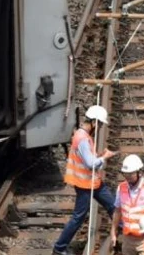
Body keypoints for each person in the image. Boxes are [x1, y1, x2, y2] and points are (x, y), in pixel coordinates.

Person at [53, 105, 117, 255]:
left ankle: (124, 231)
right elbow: (90, 164)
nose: (100, 127)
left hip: (94, 183)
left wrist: (99, 155)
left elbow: (88, 158)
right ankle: (59, 248)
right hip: (85, 185)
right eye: (100, 124)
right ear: (94, 122)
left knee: (113, 206)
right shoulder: (82, 139)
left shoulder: (83, 136)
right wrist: (104, 157)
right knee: (78, 217)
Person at [110, 154, 144, 255]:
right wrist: (113, 231)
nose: (127, 177)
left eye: (131, 174)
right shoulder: (121, 188)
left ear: (139, 172)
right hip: (128, 239)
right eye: (125, 174)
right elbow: (117, 211)